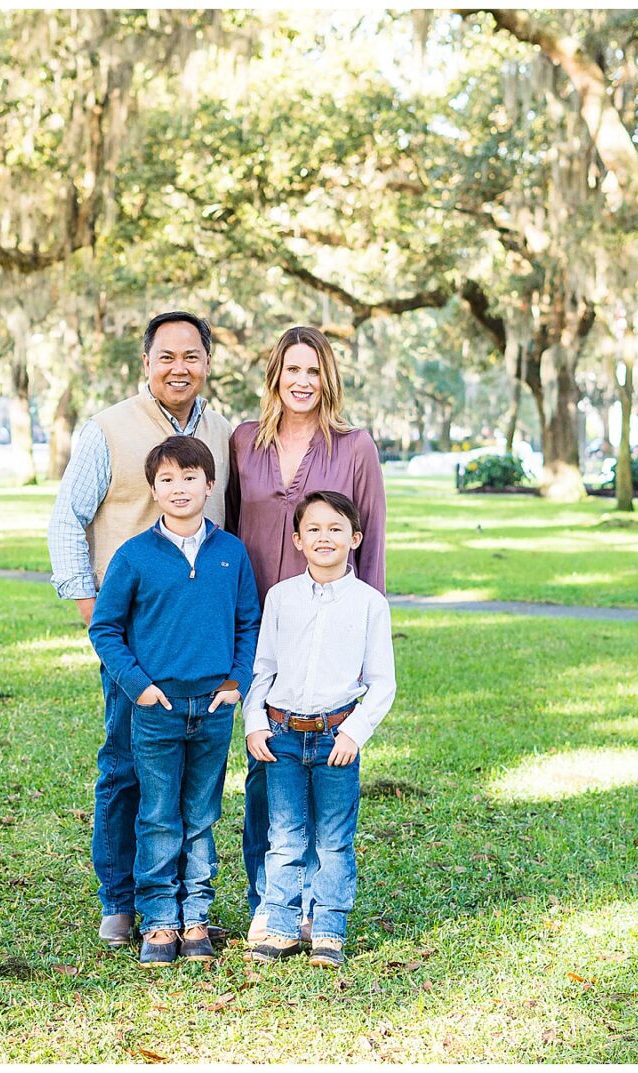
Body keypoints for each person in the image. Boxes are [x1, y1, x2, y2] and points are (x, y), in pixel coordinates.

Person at [47, 311, 234, 950]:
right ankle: (122, 900)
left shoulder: (225, 433)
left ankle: (185, 901)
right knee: (125, 764)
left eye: (192, 356)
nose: (179, 367)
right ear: (146, 364)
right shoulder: (108, 429)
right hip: (131, 635)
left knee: (190, 783)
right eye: (166, 356)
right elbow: (68, 518)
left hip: (199, 642)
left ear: (207, 362)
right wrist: (85, 602)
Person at [224, 324, 386, 946]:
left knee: (325, 785)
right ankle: (269, 901)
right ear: (274, 376)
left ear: (329, 379)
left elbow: (369, 549)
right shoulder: (243, 443)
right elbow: (230, 532)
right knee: (267, 768)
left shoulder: (355, 447)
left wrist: (363, 630)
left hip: (332, 630)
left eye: (313, 371)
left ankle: (321, 906)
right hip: (261, 625)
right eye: (291, 369)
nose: (302, 381)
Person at [88, 436, 260, 966]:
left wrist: (235, 682)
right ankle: (160, 917)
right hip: (156, 709)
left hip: (212, 709)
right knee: (159, 814)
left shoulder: (231, 552)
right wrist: (139, 686)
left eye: (190, 478)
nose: (179, 488)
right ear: (153, 489)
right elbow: (106, 628)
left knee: (202, 814)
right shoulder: (135, 555)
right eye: (167, 479)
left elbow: (248, 622)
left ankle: (196, 916)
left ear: (211, 486)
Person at [240, 491, 395, 968]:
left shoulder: (370, 604)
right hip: (282, 735)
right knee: (284, 835)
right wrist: (253, 724)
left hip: (336, 739)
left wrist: (354, 733)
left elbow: (383, 682)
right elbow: (261, 669)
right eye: (313, 529)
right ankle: (282, 926)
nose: (324, 537)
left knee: (333, 839)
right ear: (297, 540)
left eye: (335, 529)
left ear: (355, 538)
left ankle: (328, 927)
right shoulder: (281, 597)